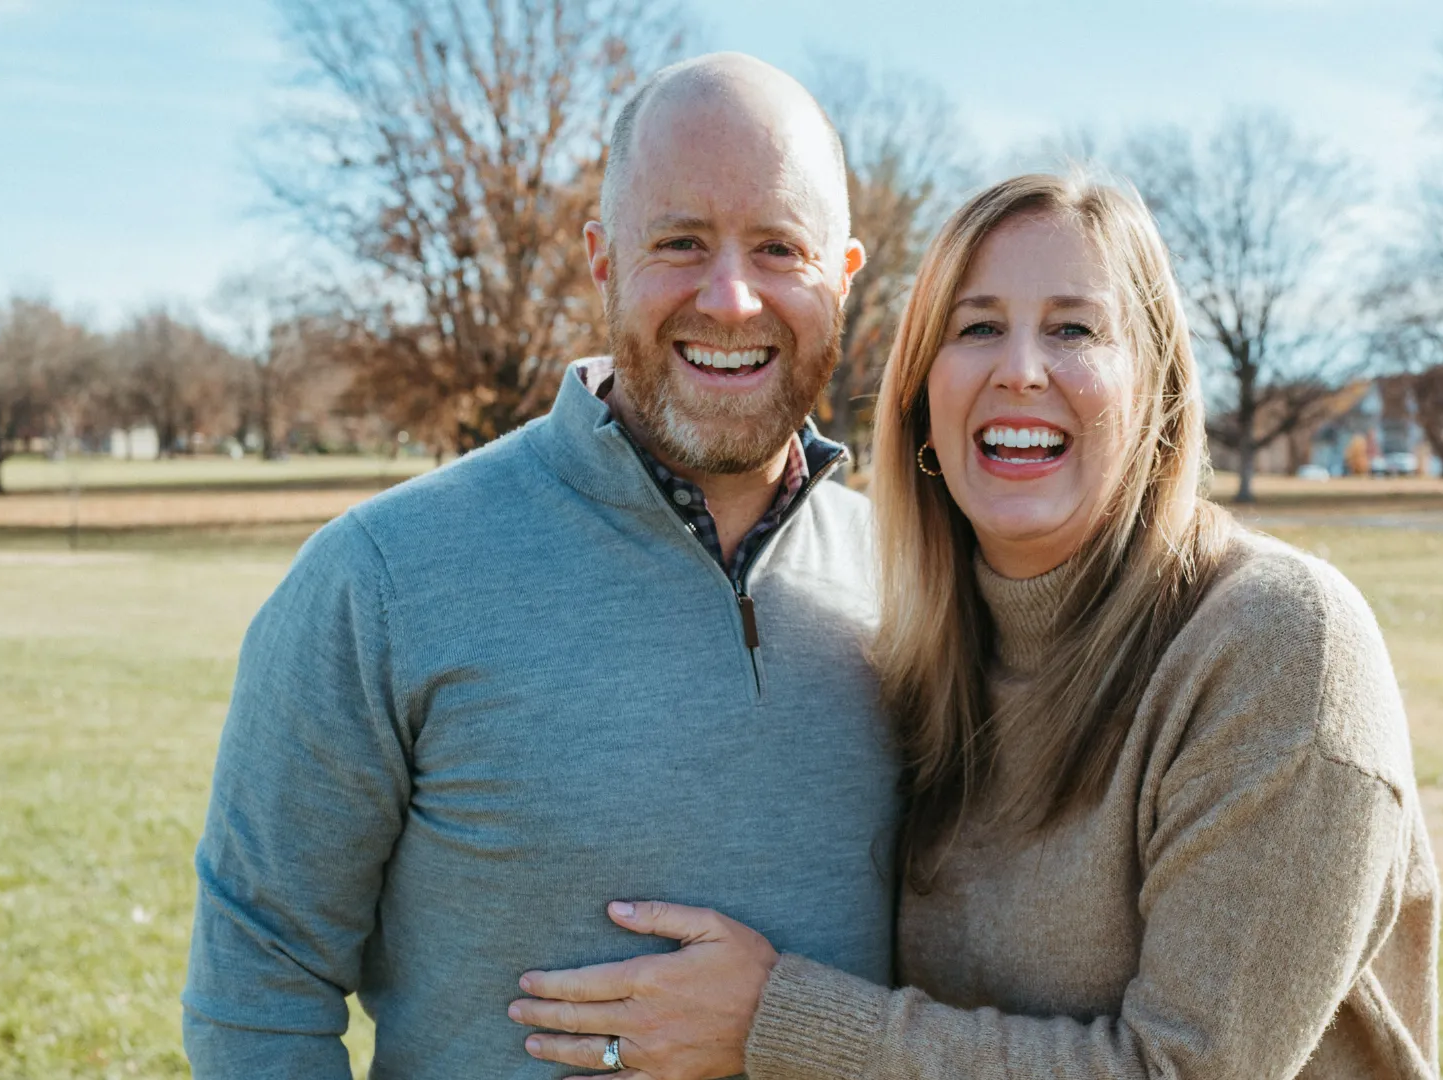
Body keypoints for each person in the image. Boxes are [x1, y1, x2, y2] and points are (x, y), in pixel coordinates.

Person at [506, 174, 1442, 1079]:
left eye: (1074, 328)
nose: (1021, 370)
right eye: (978, 328)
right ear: (923, 395)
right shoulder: (919, 659)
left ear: (1155, 390)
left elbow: (1184, 1072)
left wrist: (776, 1026)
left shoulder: (1279, 643)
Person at [181, 53, 902, 1078]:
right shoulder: (378, 579)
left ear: (843, 277)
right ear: (602, 260)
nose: (732, 298)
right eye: (680, 241)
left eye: (780, 248)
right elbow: (259, 980)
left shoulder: (914, 587)